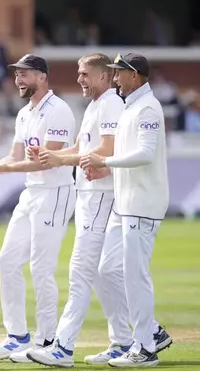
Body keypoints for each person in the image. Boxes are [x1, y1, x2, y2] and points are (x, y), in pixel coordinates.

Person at [22, 53, 131, 367]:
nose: (80, 79)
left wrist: (60, 160)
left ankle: (63, 347)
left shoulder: (110, 103)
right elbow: (84, 148)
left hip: (99, 195)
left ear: (103, 76)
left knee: (80, 272)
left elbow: (107, 149)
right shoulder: (97, 105)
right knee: (98, 273)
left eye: (85, 74)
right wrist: (50, 155)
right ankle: (127, 339)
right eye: (79, 73)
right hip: (88, 194)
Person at [0, 54, 76, 363]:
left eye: (25, 74)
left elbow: (46, 159)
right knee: (7, 261)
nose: (18, 79)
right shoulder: (24, 113)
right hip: (32, 192)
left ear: (42, 76)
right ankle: (17, 336)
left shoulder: (58, 110)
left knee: (41, 267)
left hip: (56, 192)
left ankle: (47, 340)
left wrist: (2, 171)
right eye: (17, 74)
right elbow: (15, 154)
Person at [80, 53, 172, 367]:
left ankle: (145, 348)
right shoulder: (131, 106)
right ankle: (150, 333)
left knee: (135, 275)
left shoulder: (148, 107)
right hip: (126, 203)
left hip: (143, 204)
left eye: (120, 73)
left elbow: (145, 153)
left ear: (135, 75)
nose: (115, 78)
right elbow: (128, 153)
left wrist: (104, 161)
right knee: (107, 271)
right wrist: (109, 169)